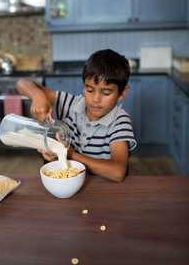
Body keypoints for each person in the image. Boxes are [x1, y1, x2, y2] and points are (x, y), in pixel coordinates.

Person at [16, 49, 137, 182]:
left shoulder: (120, 121)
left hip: (103, 190)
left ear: (122, 93)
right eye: (89, 90)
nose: (96, 99)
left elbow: (118, 172)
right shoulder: (71, 104)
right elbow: (22, 83)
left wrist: (68, 154)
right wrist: (38, 95)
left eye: (106, 93)